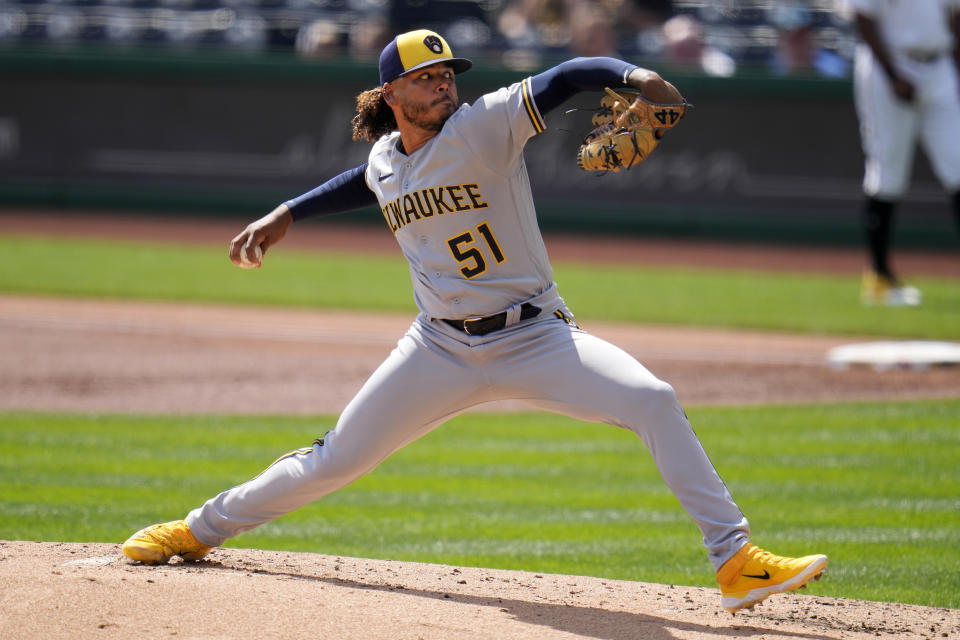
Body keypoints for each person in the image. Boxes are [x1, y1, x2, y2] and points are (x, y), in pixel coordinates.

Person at [121, 28, 827, 614]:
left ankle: (734, 560)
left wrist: (640, 77)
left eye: (447, 75)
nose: (443, 86)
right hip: (436, 349)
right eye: (426, 77)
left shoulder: (485, 125)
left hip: (536, 336)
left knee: (653, 399)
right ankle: (197, 530)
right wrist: (285, 216)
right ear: (392, 93)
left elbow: (575, 72)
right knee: (336, 458)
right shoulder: (385, 158)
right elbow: (364, 181)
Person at [849, 0, 960, 306]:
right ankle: (880, 278)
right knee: (888, 173)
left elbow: (954, 18)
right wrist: (893, 75)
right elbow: (862, 18)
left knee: (959, 167)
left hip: (940, 67)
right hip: (892, 66)